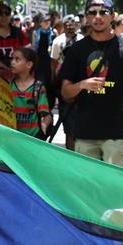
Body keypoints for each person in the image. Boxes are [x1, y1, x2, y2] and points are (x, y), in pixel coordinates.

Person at [60, 0, 123, 167]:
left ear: (112, 15)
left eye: (103, 12)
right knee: (87, 188)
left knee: (116, 187)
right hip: (83, 132)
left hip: (115, 132)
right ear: (86, 17)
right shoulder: (76, 49)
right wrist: (82, 84)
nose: (97, 17)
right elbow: (65, 93)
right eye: (92, 13)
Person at [51, 15, 84, 150]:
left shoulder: (83, 40)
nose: (70, 28)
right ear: (63, 27)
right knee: (69, 125)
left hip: (82, 84)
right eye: (67, 25)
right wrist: (54, 82)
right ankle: (71, 154)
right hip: (64, 83)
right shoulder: (58, 41)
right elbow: (53, 62)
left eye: (73, 25)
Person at [9, 47, 52, 138]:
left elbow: (45, 113)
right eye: (12, 59)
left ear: (29, 64)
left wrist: (45, 125)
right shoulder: (8, 86)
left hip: (33, 138)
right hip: (12, 137)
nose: (12, 62)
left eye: (17, 59)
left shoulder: (38, 88)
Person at [0, 1, 30, 81]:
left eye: (7, 13)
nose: (4, 16)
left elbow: (30, 57)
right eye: (0, 13)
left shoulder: (19, 34)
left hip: (16, 83)